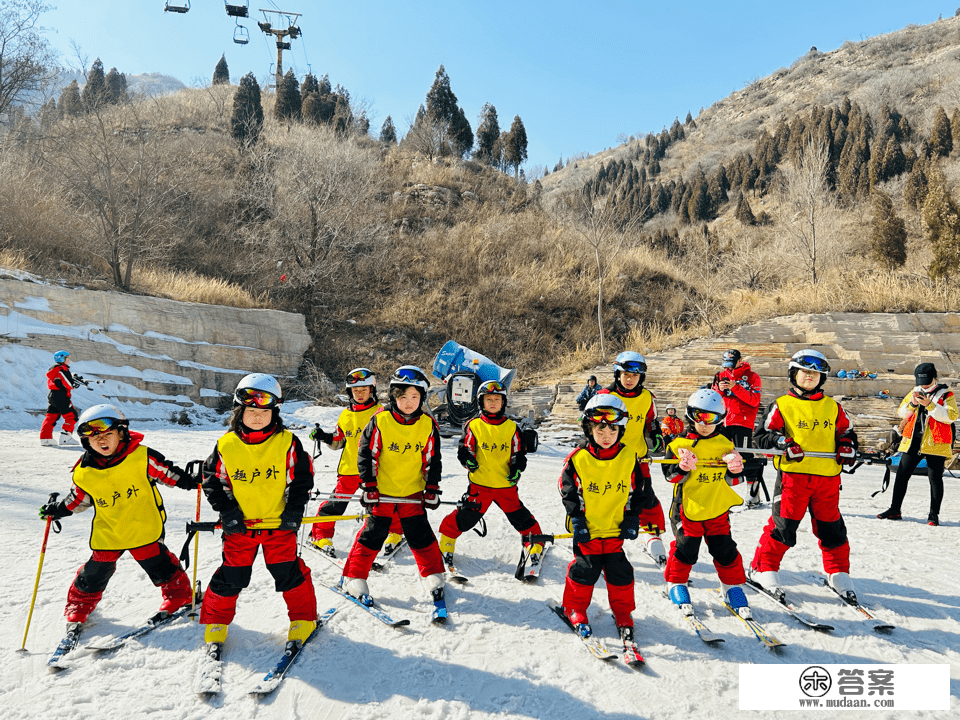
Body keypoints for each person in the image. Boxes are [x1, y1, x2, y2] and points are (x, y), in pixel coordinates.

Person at [38, 404, 197, 635]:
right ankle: (80, 604)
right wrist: (58, 510)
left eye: (108, 434)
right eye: (95, 438)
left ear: (121, 433)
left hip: (143, 525)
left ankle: (179, 594)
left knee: (157, 562)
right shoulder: (85, 472)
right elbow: (78, 499)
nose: (102, 441)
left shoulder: (142, 457)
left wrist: (193, 480)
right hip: (109, 530)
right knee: (96, 570)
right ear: (86, 442)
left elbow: (169, 474)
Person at [199, 373, 317, 654]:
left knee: (287, 572)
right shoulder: (226, 445)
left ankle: (304, 618)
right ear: (240, 411)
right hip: (241, 528)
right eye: (251, 411)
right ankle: (216, 622)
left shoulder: (287, 443)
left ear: (274, 412)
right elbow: (213, 481)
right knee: (232, 575)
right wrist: (228, 513)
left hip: (279, 526)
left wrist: (293, 511)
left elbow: (301, 480)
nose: (256, 417)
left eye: (264, 412)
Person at [748, 350, 860, 603]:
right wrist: (782, 442)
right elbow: (762, 436)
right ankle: (762, 568)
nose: (809, 377)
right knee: (784, 526)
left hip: (827, 478)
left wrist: (846, 444)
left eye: (815, 373)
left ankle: (838, 572)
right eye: (804, 372)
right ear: (793, 374)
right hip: (794, 478)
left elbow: (848, 434)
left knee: (831, 529)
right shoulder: (782, 405)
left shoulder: (833, 407)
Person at [340, 366, 447, 620]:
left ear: (422, 398)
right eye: (403, 397)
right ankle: (354, 576)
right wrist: (369, 486)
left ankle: (433, 574)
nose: (409, 403)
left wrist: (431, 488)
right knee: (373, 535)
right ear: (393, 397)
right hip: (383, 495)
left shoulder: (427, 425)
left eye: (414, 397)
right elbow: (366, 455)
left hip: (411, 494)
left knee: (420, 534)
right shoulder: (381, 421)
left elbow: (433, 460)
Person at [557, 394, 660, 647]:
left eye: (613, 429)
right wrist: (577, 520)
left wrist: (633, 517)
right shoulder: (578, 459)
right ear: (589, 429)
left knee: (621, 573)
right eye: (599, 428)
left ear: (621, 430)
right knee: (584, 570)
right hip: (589, 531)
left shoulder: (628, 458)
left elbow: (639, 491)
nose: (606, 434)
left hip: (614, 531)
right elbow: (568, 491)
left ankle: (623, 611)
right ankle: (574, 608)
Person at [662, 389, 751, 618]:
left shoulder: (724, 444)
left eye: (709, 418)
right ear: (689, 416)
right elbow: (670, 476)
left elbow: (734, 479)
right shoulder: (679, 444)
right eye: (698, 416)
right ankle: (676, 582)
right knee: (686, 547)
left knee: (724, 549)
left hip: (716, 509)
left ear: (720, 419)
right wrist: (681, 467)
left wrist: (735, 469)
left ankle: (732, 586)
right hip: (688, 508)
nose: (703, 424)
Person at [438, 379, 544, 571]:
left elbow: (519, 454)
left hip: (505, 487)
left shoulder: (512, 428)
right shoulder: (474, 425)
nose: (493, 403)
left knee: (519, 517)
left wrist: (517, 469)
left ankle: (534, 541)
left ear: (503, 402)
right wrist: (468, 460)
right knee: (466, 518)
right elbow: (465, 448)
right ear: (481, 402)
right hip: (480, 486)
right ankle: (447, 540)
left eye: (497, 399)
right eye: (488, 399)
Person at [308, 368, 403, 556]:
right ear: (350, 392)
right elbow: (338, 442)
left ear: (372, 390)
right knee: (335, 504)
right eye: (355, 391)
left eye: (364, 390)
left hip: (377, 470)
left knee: (384, 502)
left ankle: (396, 532)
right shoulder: (345, 415)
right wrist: (325, 437)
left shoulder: (382, 412)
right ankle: (320, 535)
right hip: (349, 470)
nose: (360, 394)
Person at [599, 351, 667, 564]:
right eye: (625, 375)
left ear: (641, 378)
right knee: (608, 496)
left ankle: (652, 533)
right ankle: (601, 535)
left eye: (635, 376)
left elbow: (652, 421)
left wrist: (655, 434)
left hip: (638, 457)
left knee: (645, 495)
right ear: (617, 374)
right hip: (610, 458)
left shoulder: (647, 397)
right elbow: (591, 425)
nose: (630, 380)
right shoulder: (605, 396)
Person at [877, 362, 958, 526]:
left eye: (927, 381)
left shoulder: (946, 394)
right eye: (921, 381)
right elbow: (901, 412)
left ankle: (933, 515)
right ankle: (895, 509)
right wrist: (913, 404)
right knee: (901, 475)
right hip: (912, 440)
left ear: (934, 378)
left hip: (936, 442)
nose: (924, 384)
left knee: (935, 478)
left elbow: (951, 416)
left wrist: (930, 405)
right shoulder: (914, 392)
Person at [711, 348, 764, 507]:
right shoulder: (720, 375)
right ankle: (720, 493)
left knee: (745, 458)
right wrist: (719, 389)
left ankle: (753, 493)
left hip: (743, 422)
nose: (730, 369)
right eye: (727, 365)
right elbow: (713, 400)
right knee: (719, 457)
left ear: (740, 360)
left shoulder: (753, 377)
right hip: (722, 421)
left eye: (732, 365)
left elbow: (754, 400)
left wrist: (735, 387)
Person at [40, 350, 82, 447]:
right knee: (72, 415)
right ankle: (65, 438)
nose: (69, 360)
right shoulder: (62, 369)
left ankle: (45, 438)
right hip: (61, 396)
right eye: (67, 358)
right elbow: (70, 385)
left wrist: (72, 378)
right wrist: (75, 383)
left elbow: (60, 380)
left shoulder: (53, 369)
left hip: (53, 395)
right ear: (62, 358)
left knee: (51, 416)